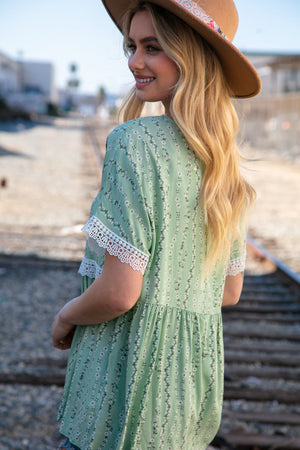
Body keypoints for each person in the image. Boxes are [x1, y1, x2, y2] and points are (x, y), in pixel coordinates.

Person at [52, 0, 261, 449]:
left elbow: (118, 293)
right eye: (131, 45)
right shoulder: (224, 166)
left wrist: (66, 315)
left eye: (153, 47)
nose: (134, 61)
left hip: (118, 399)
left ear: (191, 56)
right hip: (185, 401)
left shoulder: (134, 143)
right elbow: (229, 290)